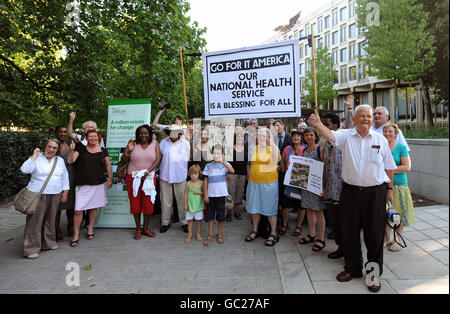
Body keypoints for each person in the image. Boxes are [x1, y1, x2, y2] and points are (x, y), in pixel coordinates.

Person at [309, 105, 397, 293]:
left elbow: (389, 166)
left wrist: (389, 190)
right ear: (355, 119)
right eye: (362, 116)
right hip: (350, 192)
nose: (367, 119)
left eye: (370, 116)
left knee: (374, 235)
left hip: (376, 192)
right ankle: (353, 268)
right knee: (349, 233)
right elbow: (330, 135)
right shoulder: (345, 136)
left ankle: (373, 274)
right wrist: (317, 125)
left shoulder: (380, 139)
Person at [20, 139, 69, 259]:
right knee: (34, 222)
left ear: (57, 150)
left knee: (50, 219)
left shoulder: (60, 160)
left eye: (54, 148)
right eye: (49, 147)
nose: (51, 150)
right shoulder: (37, 157)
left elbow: (64, 176)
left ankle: (48, 243)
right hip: (38, 194)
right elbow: (24, 170)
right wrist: (33, 156)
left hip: (55, 193)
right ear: (44, 147)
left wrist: (65, 191)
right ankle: (31, 249)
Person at [68, 130, 113, 247]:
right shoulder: (80, 148)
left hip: (98, 183)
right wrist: (72, 149)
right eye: (90, 137)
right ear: (86, 138)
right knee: (78, 210)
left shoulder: (103, 150)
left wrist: (110, 179)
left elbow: (108, 165)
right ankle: (76, 234)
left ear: (98, 138)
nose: (93, 138)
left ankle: (90, 229)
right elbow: (71, 160)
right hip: (82, 184)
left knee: (94, 207)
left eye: (95, 136)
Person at [244, 128, 281, 247]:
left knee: (270, 207)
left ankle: (273, 232)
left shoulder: (272, 148)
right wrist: (249, 177)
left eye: (263, 135)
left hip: (269, 183)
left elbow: (278, 159)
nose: (260, 137)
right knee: (255, 207)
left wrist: (272, 143)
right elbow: (249, 164)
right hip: (254, 182)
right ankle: (255, 230)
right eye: (259, 135)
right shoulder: (252, 148)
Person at [123, 125, 161, 240]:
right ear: (137, 134)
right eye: (140, 133)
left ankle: (146, 228)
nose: (143, 135)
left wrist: (148, 172)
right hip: (133, 178)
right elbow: (124, 160)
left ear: (149, 134)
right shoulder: (132, 144)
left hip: (148, 178)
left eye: (145, 133)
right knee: (135, 204)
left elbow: (158, 159)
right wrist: (128, 151)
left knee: (148, 204)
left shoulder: (154, 144)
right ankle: (138, 229)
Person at [383, 123, 414, 252]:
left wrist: (388, 170)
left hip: (399, 185)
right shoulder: (380, 147)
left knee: (398, 213)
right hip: (382, 185)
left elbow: (407, 167)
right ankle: (387, 238)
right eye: (385, 131)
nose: (387, 134)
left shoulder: (401, 148)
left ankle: (398, 239)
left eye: (390, 131)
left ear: (396, 134)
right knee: (384, 213)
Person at [298, 127, 326, 252]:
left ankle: (321, 239)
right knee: (309, 210)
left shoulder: (320, 149)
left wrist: (324, 187)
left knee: (318, 211)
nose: (309, 137)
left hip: (317, 185)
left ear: (315, 136)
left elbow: (325, 169)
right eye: (307, 135)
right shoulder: (303, 150)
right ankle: (311, 234)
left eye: (311, 135)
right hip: (306, 185)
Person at [321, 113, 345, 259]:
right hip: (330, 191)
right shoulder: (325, 143)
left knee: (345, 225)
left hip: (343, 191)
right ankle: (340, 247)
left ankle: (347, 250)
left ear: (336, 125)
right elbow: (325, 168)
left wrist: (349, 108)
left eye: (327, 125)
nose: (325, 127)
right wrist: (322, 187)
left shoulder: (343, 140)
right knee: (334, 224)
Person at [159, 124, 190, 233]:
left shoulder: (185, 144)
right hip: (165, 175)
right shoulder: (163, 143)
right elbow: (159, 158)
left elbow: (188, 159)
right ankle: (165, 222)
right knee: (166, 201)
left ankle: (184, 222)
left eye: (176, 131)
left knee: (182, 200)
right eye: (171, 131)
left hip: (180, 175)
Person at [202, 145, 235, 246]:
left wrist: (223, 162)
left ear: (223, 154)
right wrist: (206, 195)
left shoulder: (225, 164)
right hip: (211, 195)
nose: (216, 155)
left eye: (218, 153)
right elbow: (205, 181)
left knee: (221, 216)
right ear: (211, 154)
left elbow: (232, 171)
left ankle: (219, 233)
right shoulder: (208, 166)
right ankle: (210, 234)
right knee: (210, 216)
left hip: (221, 195)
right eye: (214, 153)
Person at [279, 130, 306, 237]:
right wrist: (282, 168)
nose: (295, 138)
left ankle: (298, 226)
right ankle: (285, 224)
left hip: (300, 182)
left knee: (300, 204)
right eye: (294, 136)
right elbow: (282, 161)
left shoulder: (305, 149)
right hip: (287, 181)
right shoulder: (287, 148)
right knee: (285, 203)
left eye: (298, 136)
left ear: (301, 138)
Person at [54, 126, 76, 241]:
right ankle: (57, 230)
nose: (63, 134)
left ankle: (70, 227)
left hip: (71, 176)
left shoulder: (70, 142)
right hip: (57, 178)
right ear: (56, 133)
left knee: (71, 206)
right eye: (60, 132)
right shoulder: (53, 144)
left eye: (64, 132)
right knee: (57, 207)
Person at [226, 125, 248, 221]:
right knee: (230, 194)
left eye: (241, 136)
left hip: (242, 174)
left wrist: (248, 174)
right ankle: (229, 212)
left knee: (239, 193)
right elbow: (226, 162)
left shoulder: (246, 148)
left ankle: (236, 211)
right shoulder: (230, 148)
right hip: (232, 174)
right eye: (238, 136)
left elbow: (247, 163)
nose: (240, 138)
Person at [184, 165, 205, 243]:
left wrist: (199, 192)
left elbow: (204, 194)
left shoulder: (202, 183)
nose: (193, 176)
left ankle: (198, 233)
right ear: (189, 174)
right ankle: (190, 234)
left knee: (199, 220)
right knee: (190, 220)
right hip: (190, 205)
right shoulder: (188, 183)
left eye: (195, 174)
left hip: (198, 205)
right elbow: (185, 194)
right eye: (192, 174)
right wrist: (186, 204)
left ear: (199, 173)